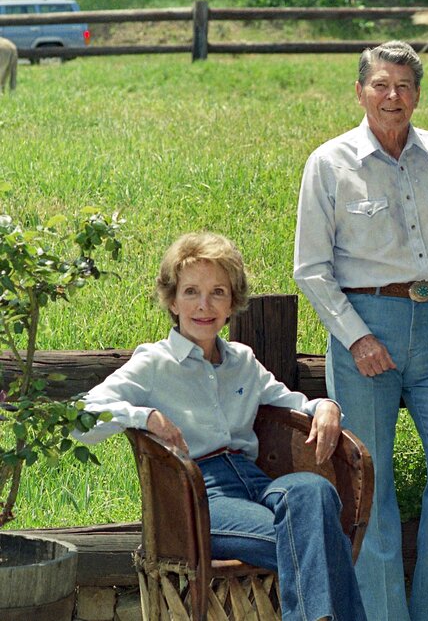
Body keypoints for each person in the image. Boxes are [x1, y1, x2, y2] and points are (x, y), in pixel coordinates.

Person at [293, 40, 428, 621]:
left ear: (418, 94)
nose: (393, 96)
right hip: (365, 328)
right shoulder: (329, 162)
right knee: (368, 484)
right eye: (381, 85)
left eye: (404, 86)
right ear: (359, 92)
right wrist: (355, 335)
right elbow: (310, 267)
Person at [74, 232, 365, 621]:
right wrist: (145, 417)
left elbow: (293, 404)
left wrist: (327, 406)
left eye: (218, 292)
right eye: (191, 291)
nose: (204, 305)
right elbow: (81, 417)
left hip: (257, 481)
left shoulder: (241, 360)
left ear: (232, 303)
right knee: (317, 539)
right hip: (200, 495)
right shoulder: (153, 364)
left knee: (312, 491)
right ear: (173, 301)